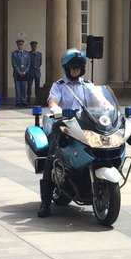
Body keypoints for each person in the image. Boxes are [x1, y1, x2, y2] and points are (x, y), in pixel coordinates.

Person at [37, 49, 93, 217]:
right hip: (63, 124)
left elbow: (100, 101)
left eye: (78, 67)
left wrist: (107, 108)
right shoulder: (59, 85)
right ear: (66, 68)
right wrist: (56, 109)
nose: (75, 69)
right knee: (52, 157)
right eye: (72, 67)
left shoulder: (88, 85)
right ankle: (45, 203)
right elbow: (52, 101)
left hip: (84, 124)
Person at [11, 39, 31, 107]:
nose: (20, 46)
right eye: (19, 44)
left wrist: (25, 71)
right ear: (17, 45)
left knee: (24, 87)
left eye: (22, 44)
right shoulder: (14, 53)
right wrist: (19, 72)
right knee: (18, 87)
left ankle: (24, 101)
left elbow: (28, 63)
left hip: (24, 73)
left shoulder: (26, 53)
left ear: (23, 45)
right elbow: (14, 64)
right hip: (17, 74)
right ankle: (18, 101)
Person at [28, 40, 43, 105]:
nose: (34, 47)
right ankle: (28, 98)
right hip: (30, 72)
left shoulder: (39, 54)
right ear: (31, 46)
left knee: (37, 86)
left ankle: (37, 99)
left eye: (35, 46)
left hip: (37, 72)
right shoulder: (28, 54)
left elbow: (40, 63)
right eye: (33, 46)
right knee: (29, 86)